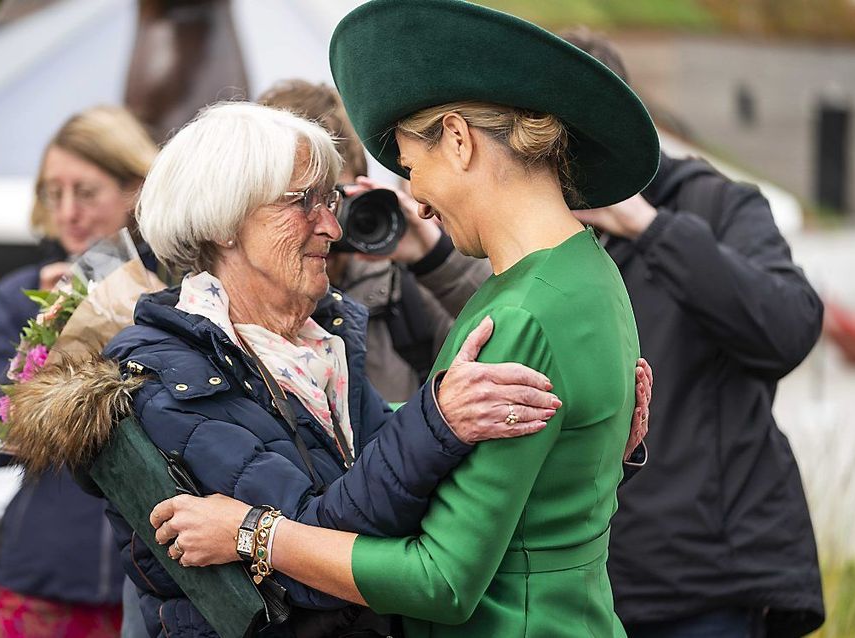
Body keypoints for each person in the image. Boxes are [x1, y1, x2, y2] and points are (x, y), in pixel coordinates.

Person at [11, 100, 618, 638]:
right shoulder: (166, 380)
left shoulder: (317, 344)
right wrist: (437, 418)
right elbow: (317, 557)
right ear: (224, 221)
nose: (330, 225)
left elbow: (419, 498)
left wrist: (570, 438)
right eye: (301, 202)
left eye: (328, 200)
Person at [146, 1, 659, 636]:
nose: (414, 200)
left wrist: (254, 533)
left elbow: (440, 580)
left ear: (460, 140)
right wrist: (606, 451)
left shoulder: (520, 314)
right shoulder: (590, 273)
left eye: (414, 168)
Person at [560, 28, 826, 637]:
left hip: (704, 586)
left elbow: (789, 327)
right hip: (574, 586)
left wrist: (648, 226)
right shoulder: (531, 238)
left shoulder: (715, 204)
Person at [0, 106, 159, 637]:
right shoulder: (22, 294)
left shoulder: (181, 293)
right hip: (44, 577)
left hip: (157, 584)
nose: (67, 212)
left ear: (134, 191)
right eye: (53, 192)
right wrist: (49, 331)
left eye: (85, 192)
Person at [257, 79, 491, 401]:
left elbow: (517, 335)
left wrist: (434, 257)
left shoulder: (400, 291)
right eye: (304, 201)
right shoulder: (223, 311)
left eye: (335, 200)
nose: (329, 226)